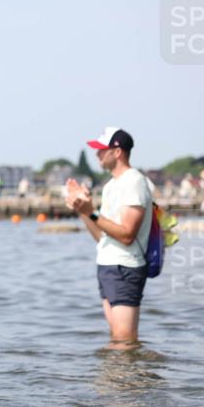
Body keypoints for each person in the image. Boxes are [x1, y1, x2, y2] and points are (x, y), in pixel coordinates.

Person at [66, 127, 153, 348]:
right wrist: (83, 209)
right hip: (107, 265)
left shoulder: (134, 181)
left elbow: (126, 235)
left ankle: (129, 382)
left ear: (117, 152)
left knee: (124, 341)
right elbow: (102, 237)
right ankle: (118, 382)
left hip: (125, 266)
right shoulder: (110, 186)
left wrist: (92, 212)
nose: (97, 155)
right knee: (117, 338)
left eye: (101, 150)